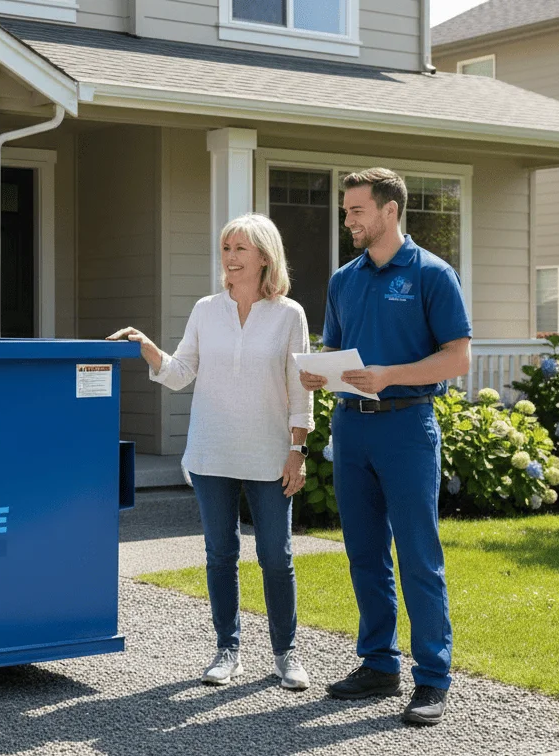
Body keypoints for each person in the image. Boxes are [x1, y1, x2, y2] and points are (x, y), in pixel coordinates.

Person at [108, 213, 315, 690]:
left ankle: (286, 654)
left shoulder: (290, 315)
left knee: (276, 556)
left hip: (269, 453)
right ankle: (228, 650)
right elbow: (181, 372)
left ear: (265, 256)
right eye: (226, 248)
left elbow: (300, 390)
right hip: (211, 451)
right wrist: (145, 346)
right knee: (220, 553)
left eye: (240, 248)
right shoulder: (206, 309)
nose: (230, 257)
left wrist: (296, 450)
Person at [298, 168, 471, 726]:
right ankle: (378, 665)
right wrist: (317, 376)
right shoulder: (343, 280)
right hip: (352, 427)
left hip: (406, 426)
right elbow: (336, 350)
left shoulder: (432, 275)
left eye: (356, 211)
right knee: (364, 552)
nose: (347, 220)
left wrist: (391, 375)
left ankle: (432, 679)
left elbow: (457, 358)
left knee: (419, 555)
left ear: (389, 211)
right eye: (346, 211)